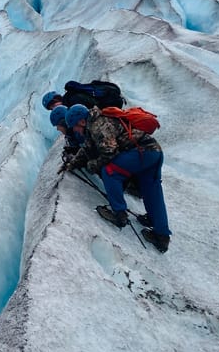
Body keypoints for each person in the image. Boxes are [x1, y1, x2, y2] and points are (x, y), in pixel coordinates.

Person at [64, 104, 171, 252]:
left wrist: (92, 165)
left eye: (74, 126)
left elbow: (109, 152)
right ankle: (161, 235)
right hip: (154, 152)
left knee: (110, 171)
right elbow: (87, 148)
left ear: (81, 121)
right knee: (152, 190)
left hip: (141, 152)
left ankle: (119, 214)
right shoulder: (96, 123)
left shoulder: (98, 125)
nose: (74, 130)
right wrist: (73, 163)